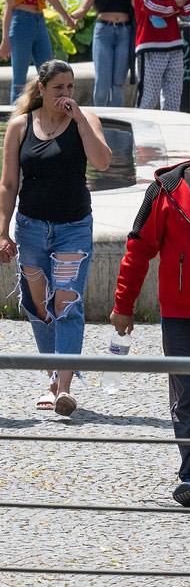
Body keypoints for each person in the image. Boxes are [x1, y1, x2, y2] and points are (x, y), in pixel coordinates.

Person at [111, 124, 190, 504]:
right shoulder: (165, 191)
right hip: (184, 313)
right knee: (187, 393)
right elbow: (138, 249)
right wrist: (123, 304)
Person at [0, 60, 112, 415]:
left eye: (70, 88)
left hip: (73, 228)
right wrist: (2, 231)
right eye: (58, 88)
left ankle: (64, 388)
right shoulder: (20, 126)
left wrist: (79, 119)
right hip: (32, 228)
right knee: (37, 307)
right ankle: (52, 377)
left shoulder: (84, 121)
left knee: (67, 303)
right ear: (42, 90)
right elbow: (8, 184)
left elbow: (104, 162)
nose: (65, 94)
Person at [5, 0, 80, 104]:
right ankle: (16, 122)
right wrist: (5, 39)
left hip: (39, 22)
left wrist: (67, 18)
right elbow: (9, 6)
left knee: (49, 72)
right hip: (21, 24)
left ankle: (48, 113)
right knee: (19, 78)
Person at [75, 0, 133, 108]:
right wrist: (70, 17)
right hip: (104, 32)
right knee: (103, 82)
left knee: (118, 83)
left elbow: (137, 8)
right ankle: (100, 118)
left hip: (124, 32)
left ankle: (117, 121)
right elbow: (84, 8)